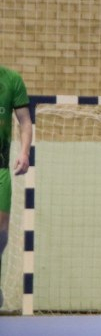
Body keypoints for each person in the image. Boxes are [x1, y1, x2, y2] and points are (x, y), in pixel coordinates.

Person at [0, 65, 32, 310]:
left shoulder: (12, 80)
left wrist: (24, 152)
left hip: (0, 169)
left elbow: (24, 121)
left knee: (2, 232)